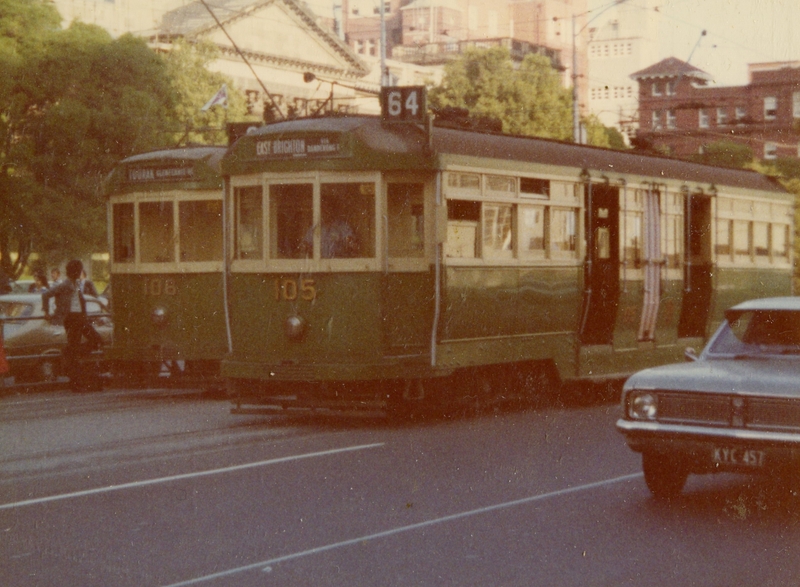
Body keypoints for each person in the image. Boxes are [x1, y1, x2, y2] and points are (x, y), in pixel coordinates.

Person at [42, 260, 103, 391]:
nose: (80, 272)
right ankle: (76, 380)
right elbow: (46, 295)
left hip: (80, 318)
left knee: (96, 340)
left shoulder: (76, 283)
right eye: (79, 270)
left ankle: (69, 353)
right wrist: (46, 311)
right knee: (80, 346)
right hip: (71, 318)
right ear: (74, 272)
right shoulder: (65, 284)